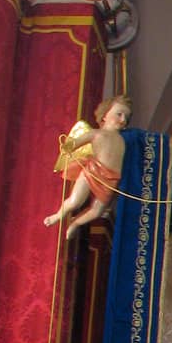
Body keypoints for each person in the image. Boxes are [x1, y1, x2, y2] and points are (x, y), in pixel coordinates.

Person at [45, 94, 132, 239]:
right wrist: (68, 145)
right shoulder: (96, 134)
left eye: (126, 117)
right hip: (92, 171)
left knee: (97, 211)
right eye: (119, 114)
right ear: (105, 115)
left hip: (111, 180)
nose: (123, 120)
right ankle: (59, 215)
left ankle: (75, 224)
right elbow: (75, 143)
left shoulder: (124, 140)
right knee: (75, 201)